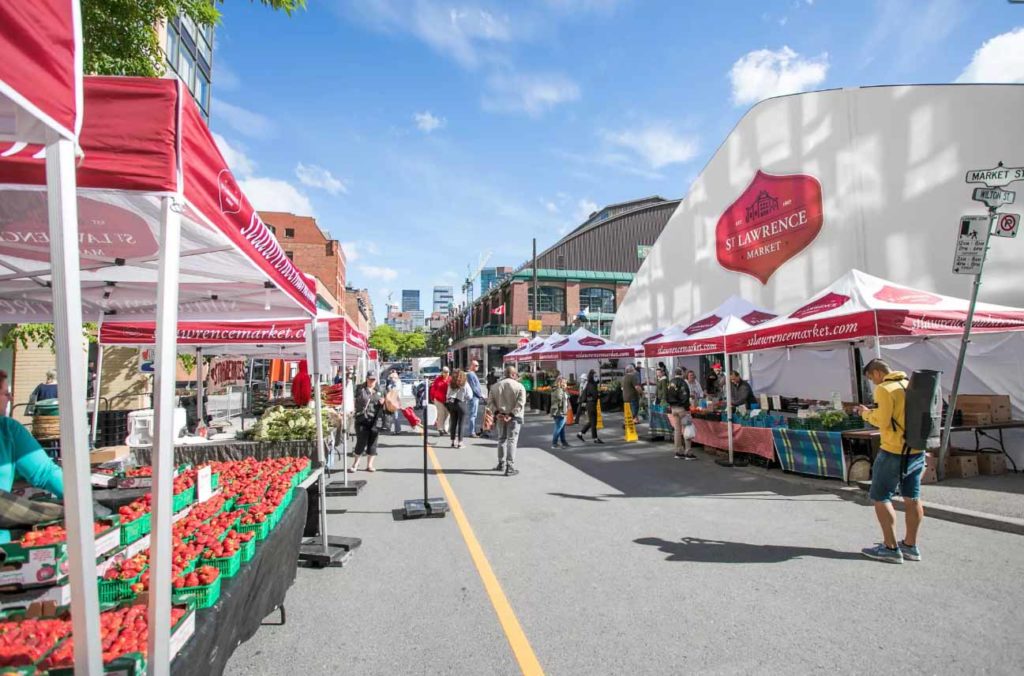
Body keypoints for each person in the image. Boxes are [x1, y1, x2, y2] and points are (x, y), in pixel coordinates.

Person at [856, 359, 924, 564]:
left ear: (877, 373)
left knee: (881, 497)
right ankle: (911, 545)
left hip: (893, 449)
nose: (873, 383)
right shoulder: (910, 384)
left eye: (871, 378)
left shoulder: (885, 389)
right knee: (912, 497)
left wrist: (866, 414)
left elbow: (884, 421)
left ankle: (890, 547)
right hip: (916, 449)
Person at [0, 417, 65, 542]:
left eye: (10, 395)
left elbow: (45, 472)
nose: (9, 398)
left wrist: (79, 499)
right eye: (5, 395)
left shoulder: (7, 428)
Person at [487, 366, 527, 475]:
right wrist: (511, 414)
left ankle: (501, 463)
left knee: (501, 439)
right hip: (514, 417)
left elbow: (490, 402)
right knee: (512, 440)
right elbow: (521, 403)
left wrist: (497, 413)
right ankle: (510, 466)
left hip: (500, 416)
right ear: (513, 374)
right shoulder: (519, 386)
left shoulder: (495, 386)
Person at [349, 373, 384, 472]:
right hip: (362, 419)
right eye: (370, 379)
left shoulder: (381, 390)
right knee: (361, 442)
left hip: (375, 420)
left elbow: (388, 403)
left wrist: (384, 402)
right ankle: (355, 463)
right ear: (366, 379)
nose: (372, 381)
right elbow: (352, 400)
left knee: (373, 443)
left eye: (374, 379)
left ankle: (370, 465)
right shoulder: (359, 388)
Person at [667, 368, 696, 460]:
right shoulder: (683, 383)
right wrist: (687, 408)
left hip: (673, 408)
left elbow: (667, 395)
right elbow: (685, 397)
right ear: (682, 373)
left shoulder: (670, 382)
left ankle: (678, 451)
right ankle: (688, 452)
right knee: (687, 428)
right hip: (682, 408)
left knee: (677, 430)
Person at [576, 370, 603, 444]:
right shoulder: (591, 385)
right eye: (595, 376)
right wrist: (599, 394)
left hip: (590, 404)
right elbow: (595, 395)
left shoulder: (591, 384)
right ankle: (595, 438)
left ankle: (580, 434)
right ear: (592, 377)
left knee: (592, 422)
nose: (596, 377)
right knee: (593, 421)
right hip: (591, 404)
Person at [446, 369, 472, 448]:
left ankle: (452, 442)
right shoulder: (465, 384)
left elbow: (447, 395)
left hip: (452, 404)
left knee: (453, 422)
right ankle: (460, 442)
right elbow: (470, 395)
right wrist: (465, 398)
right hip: (461, 403)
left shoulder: (451, 384)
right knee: (461, 423)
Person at [430, 367, 451, 437]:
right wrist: (432, 398)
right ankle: (440, 429)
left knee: (447, 414)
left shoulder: (450, 379)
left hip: (448, 400)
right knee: (441, 414)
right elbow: (433, 389)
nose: (446, 373)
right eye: (445, 372)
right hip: (438, 399)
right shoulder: (438, 379)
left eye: (447, 372)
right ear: (442, 372)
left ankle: (446, 429)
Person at [550, 376, 570, 449]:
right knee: (558, 428)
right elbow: (560, 399)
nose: (566, 384)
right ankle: (554, 443)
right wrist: (564, 390)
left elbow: (567, 397)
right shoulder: (559, 390)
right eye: (565, 382)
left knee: (561, 428)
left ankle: (563, 442)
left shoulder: (559, 389)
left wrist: (565, 391)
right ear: (561, 382)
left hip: (560, 411)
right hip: (559, 411)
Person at [466, 360, 484, 438]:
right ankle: (472, 432)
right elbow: (473, 387)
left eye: (478, 365)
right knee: (472, 415)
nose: (477, 367)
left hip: (475, 397)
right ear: (471, 366)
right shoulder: (470, 374)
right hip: (473, 397)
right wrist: (480, 395)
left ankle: (472, 431)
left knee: (473, 415)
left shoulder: (472, 374)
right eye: (476, 365)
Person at [385, 370, 403, 434]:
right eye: (391, 378)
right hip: (391, 401)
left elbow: (396, 392)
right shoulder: (391, 383)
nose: (392, 379)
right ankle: (392, 428)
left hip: (396, 401)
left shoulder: (397, 383)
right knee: (392, 416)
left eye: (393, 378)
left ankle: (397, 430)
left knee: (396, 416)